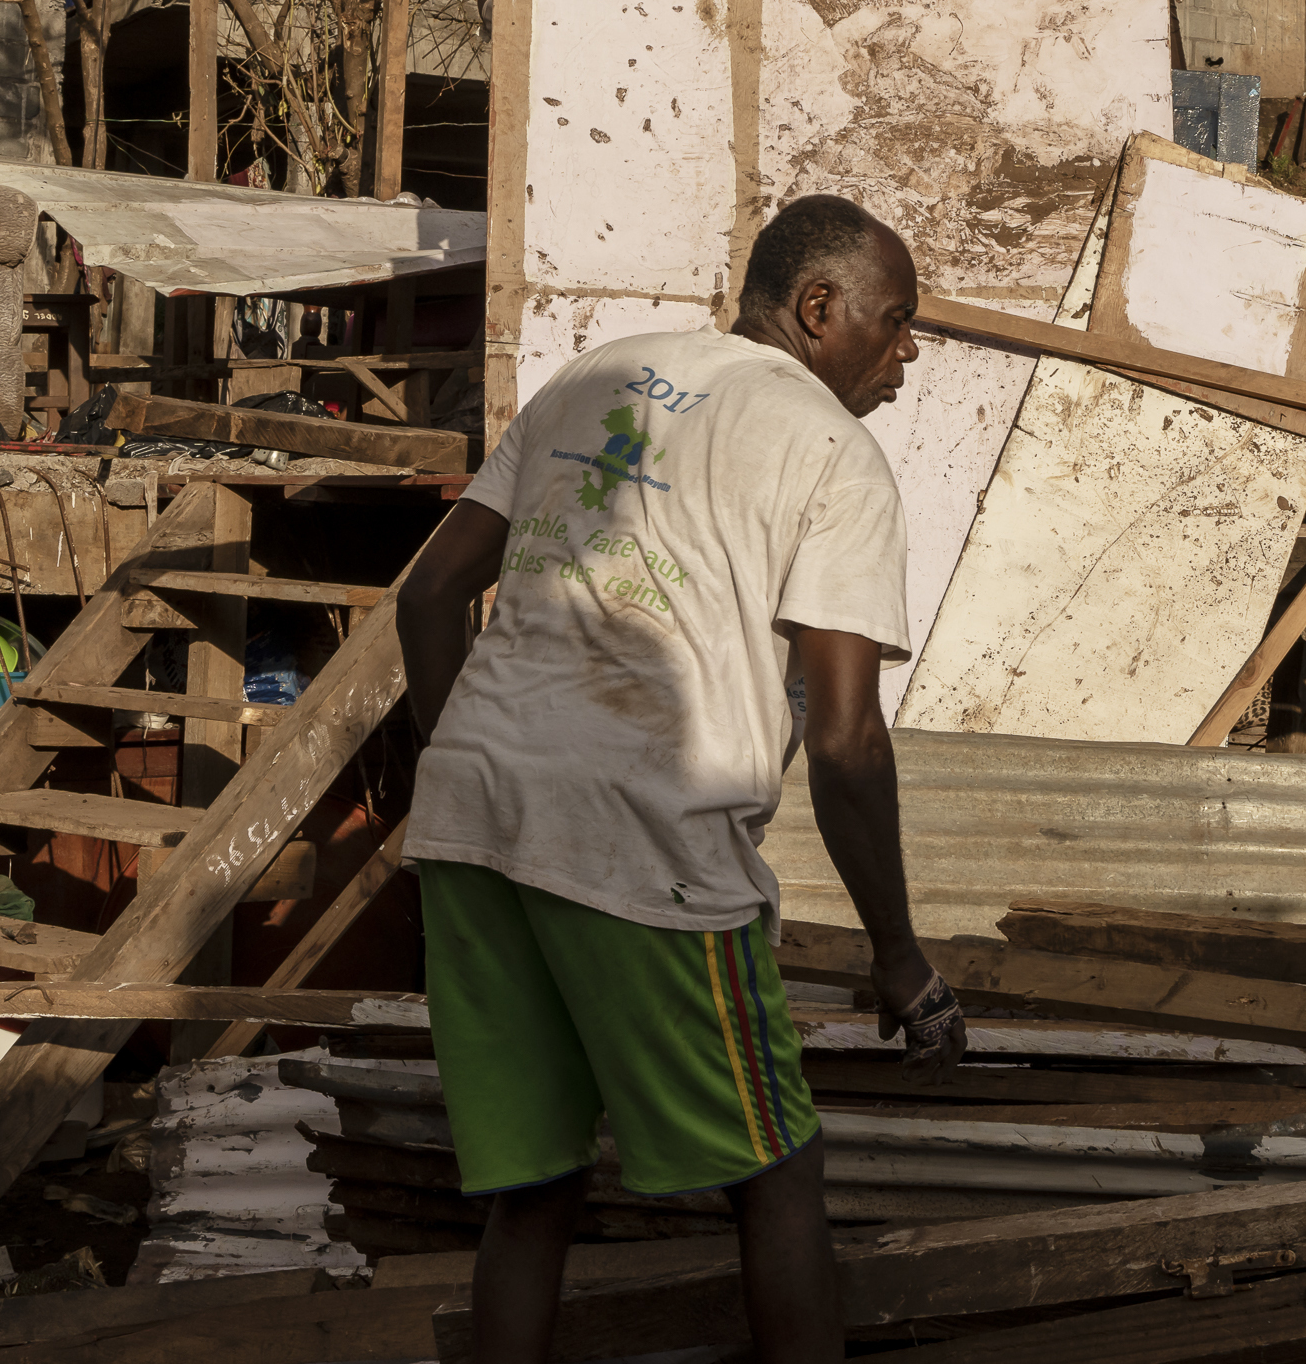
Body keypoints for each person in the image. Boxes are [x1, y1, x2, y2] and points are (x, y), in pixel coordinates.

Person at [393, 192, 963, 1364]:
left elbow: (427, 595)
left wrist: (483, 759)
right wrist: (898, 953)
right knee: (777, 1168)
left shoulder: (594, 374)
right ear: (820, 308)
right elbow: (850, 738)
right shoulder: (832, 453)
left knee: (536, 1184)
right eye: (898, 321)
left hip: (470, 821)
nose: (909, 352)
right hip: (642, 842)